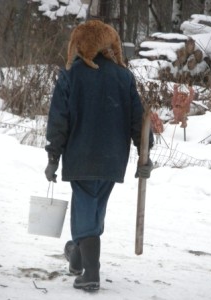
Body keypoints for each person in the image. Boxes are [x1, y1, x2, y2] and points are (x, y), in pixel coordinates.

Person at [44, 24, 154, 292]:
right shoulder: (123, 77)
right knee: (93, 209)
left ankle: (91, 273)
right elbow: (140, 121)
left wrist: (53, 156)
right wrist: (145, 154)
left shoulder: (71, 75)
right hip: (111, 160)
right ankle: (78, 256)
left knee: (85, 209)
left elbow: (59, 119)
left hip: (81, 157)